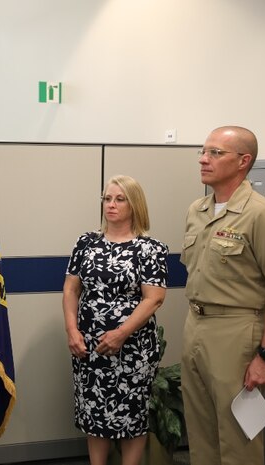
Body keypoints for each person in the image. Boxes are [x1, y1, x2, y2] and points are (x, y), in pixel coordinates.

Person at [180, 126, 265, 465]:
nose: (204, 158)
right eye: (203, 151)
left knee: (237, 441)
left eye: (215, 153)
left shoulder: (260, 213)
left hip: (237, 332)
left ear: (243, 161)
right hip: (196, 325)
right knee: (200, 434)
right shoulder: (197, 211)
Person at [63, 175, 169, 465]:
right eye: (107, 198)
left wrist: (120, 334)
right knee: (93, 410)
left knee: (132, 414)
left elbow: (154, 298)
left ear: (134, 205)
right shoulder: (86, 243)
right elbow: (71, 288)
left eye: (119, 199)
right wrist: (72, 330)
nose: (111, 205)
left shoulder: (150, 249)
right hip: (88, 345)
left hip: (132, 347)